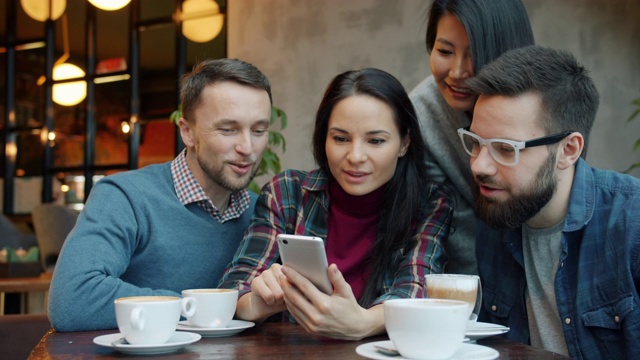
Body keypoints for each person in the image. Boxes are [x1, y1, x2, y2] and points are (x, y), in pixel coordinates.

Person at [219, 68, 453, 340]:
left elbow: (416, 290)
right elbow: (233, 289)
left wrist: (363, 322)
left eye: (375, 141)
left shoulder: (429, 204)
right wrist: (258, 301)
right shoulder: (288, 193)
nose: (355, 156)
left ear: (404, 142)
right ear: (324, 138)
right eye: (340, 138)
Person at [48, 58, 273, 332]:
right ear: (187, 132)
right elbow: (73, 300)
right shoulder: (125, 197)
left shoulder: (262, 213)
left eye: (259, 130)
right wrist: (209, 308)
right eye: (228, 129)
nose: (248, 147)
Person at [460, 45, 640, 358]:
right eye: (476, 143)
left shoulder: (630, 224)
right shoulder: (497, 215)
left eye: (505, 149)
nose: (479, 166)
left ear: (568, 150)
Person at [409, 0, 534, 274]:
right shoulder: (422, 115)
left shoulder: (543, 104)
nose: (458, 72)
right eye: (444, 51)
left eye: (474, 53)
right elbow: (451, 229)